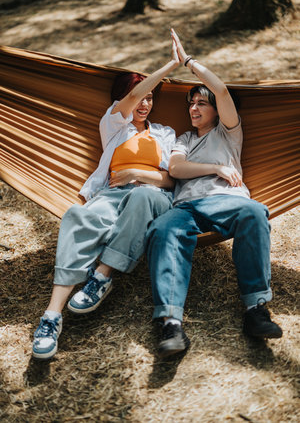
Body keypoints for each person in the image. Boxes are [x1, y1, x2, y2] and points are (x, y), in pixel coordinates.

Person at [32, 40, 180, 360]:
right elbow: (129, 101)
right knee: (78, 214)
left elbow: (171, 179)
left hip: (152, 195)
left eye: (151, 97)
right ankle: (51, 317)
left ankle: (102, 276)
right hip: (111, 194)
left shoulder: (166, 134)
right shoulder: (114, 125)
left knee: (141, 195)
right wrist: (168, 66)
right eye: (140, 97)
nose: (145, 104)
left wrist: (137, 177)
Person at [146, 29, 283, 358]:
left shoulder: (229, 132)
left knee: (254, 212)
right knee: (163, 229)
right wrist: (215, 168)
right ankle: (170, 324)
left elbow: (221, 89)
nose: (194, 108)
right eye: (191, 103)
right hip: (186, 207)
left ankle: (255, 310)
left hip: (228, 202)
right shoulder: (183, 139)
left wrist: (188, 62)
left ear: (217, 109)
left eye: (201, 103)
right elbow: (176, 170)